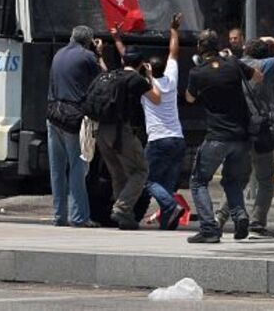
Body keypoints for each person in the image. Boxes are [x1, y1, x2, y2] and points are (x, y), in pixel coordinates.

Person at [215, 36, 274, 239]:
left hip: (237, 130)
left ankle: (219, 218)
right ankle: (257, 223)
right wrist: (272, 39)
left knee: (238, 179)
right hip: (259, 131)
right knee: (265, 179)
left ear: (245, 50)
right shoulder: (263, 65)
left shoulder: (233, 66)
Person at [185, 29, 263, 243]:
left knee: (198, 181)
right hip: (241, 136)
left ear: (200, 48)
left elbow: (190, 98)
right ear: (218, 45)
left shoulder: (197, 72)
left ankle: (209, 229)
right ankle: (240, 216)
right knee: (231, 180)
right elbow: (258, 76)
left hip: (217, 136)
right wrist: (231, 60)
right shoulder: (233, 64)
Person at [111, 15, 186, 230]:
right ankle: (168, 220)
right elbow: (173, 52)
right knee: (167, 183)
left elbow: (128, 63)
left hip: (158, 140)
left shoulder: (145, 85)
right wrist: (174, 30)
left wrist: (117, 39)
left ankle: (171, 206)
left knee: (147, 179)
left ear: (148, 70)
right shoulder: (171, 78)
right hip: (178, 139)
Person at [96, 46, 162, 230]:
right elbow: (156, 99)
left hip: (102, 131)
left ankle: (125, 217)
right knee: (140, 171)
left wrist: (100, 55)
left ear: (123, 61)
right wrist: (150, 76)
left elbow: (103, 71)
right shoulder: (136, 79)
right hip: (121, 132)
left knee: (118, 173)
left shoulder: (112, 75)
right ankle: (122, 208)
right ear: (141, 64)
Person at [45, 25, 105, 228]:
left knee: (57, 169)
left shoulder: (59, 54)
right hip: (72, 118)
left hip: (53, 115)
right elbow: (103, 78)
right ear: (89, 41)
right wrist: (98, 54)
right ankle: (79, 217)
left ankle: (59, 216)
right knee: (78, 168)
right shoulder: (87, 56)